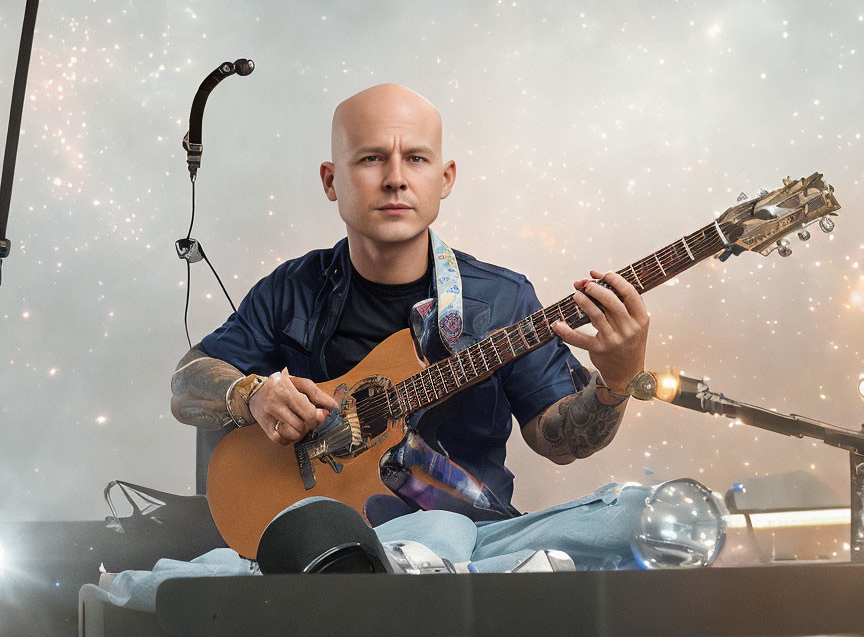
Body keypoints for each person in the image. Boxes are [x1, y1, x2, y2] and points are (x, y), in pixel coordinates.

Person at [170, 83, 651, 569]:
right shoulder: (291, 288)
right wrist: (251, 393)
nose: (396, 179)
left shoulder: (505, 299)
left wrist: (615, 381)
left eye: (416, 159)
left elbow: (561, 442)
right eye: (372, 159)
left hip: (475, 534)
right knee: (185, 576)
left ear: (445, 179)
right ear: (331, 180)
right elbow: (186, 382)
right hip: (333, 541)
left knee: (635, 516)